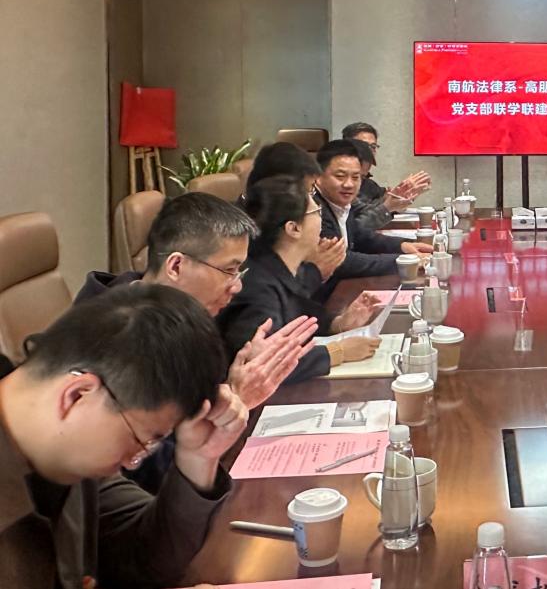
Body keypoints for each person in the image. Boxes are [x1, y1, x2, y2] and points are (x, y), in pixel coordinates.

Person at [0, 286, 248, 589]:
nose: (133, 462)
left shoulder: (67, 454)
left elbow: (143, 557)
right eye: (141, 440)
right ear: (77, 395)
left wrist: (197, 457)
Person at [75, 193, 317, 412]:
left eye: (239, 271)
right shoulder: (110, 339)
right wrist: (237, 398)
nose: (237, 286)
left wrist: (248, 365)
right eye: (229, 270)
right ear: (176, 266)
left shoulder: (181, 313)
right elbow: (145, 443)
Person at [220, 175, 384, 384]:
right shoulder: (256, 285)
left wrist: (339, 324)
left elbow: (296, 319)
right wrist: (337, 352)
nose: (321, 222)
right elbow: (261, 361)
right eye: (317, 212)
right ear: (293, 228)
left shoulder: (281, 268)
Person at [314, 140, 432, 283]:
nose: (349, 184)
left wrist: (402, 246)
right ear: (318, 176)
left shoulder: (340, 202)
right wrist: (402, 261)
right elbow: (341, 262)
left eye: (356, 177)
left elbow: (360, 236)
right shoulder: (314, 209)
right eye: (340, 176)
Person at [242, 142, 347, 285]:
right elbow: (277, 286)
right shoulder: (245, 233)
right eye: (307, 191)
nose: (313, 199)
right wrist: (314, 272)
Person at [341, 122, 431, 208]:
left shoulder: (368, 184)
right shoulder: (340, 182)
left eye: (373, 147)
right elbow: (359, 215)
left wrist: (403, 194)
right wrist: (388, 205)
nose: (369, 151)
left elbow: (386, 201)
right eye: (363, 146)